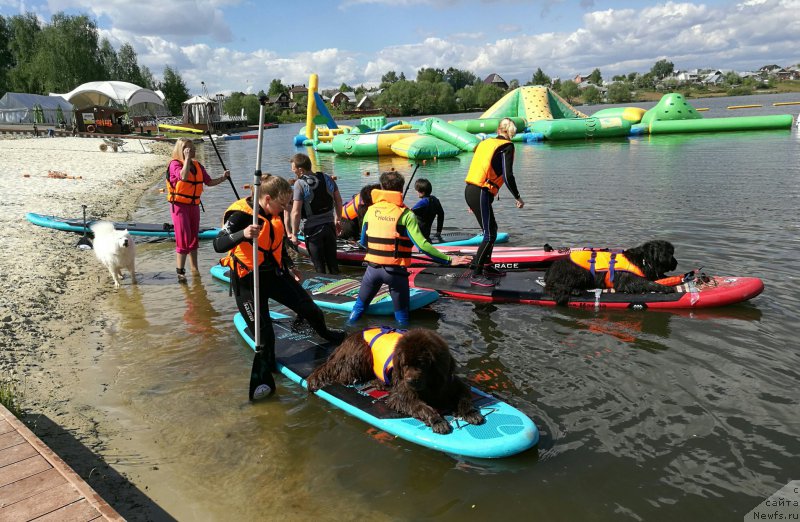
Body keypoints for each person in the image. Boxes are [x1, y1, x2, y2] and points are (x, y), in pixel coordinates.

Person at [213, 175, 345, 397]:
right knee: (265, 336)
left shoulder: (272, 215)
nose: (285, 208)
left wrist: (290, 265)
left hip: (274, 274)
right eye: (282, 204)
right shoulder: (241, 216)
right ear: (266, 198)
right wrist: (242, 234)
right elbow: (218, 243)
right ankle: (269, 371)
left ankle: (327, 335)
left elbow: (276, 242)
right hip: (248, 281)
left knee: (309, 308)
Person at [348, 171, 470, 327]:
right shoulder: (407, 215)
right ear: (401, 189)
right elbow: (422, 246)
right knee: (402, 316)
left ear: (382, 187)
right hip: (395, 274)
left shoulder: (370, 211)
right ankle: (403, 343)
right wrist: (448, 260)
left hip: (372, 271)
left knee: (359, 307)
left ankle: (345, 336)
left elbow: (364, 242)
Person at [464, 117, 525, 287]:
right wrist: (517, 196)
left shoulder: (485, 143)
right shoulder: (507, 146)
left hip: (472, 190)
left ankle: (487, 266)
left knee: (492, 230)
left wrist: (472, 201)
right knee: (490, 234)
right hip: (481, 192)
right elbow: (507, 176)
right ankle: (476, 273)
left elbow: (478, 168)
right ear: (511, 132)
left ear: (498, 129)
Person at [166, 137, 230, 282]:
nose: (193, 150)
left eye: (193, 148)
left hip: (193, 205)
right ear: (182, 151)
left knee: (194, 239)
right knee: (183, 239)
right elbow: (182, 176)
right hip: (180, 206)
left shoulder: (198, 165)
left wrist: (223, 178)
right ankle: (181, 272)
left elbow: (208, 182)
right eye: (189, 149)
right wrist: (187, 158)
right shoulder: (174, 164)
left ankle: (195, 269)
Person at [286, 153, 343, 274]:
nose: (293, 172)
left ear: (300, 170)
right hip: (330, 227)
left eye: (294, 170)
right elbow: (338, 200)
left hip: (313, 231)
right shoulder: (326, 177)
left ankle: (324, 291)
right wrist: (338, 219)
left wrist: (294, 234)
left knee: (319, 268)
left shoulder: (299, 184)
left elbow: (296, 212)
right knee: (333, 265)